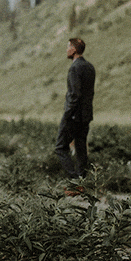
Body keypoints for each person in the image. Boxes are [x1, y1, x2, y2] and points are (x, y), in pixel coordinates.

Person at [55, 37, 95, 195]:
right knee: (81, 149)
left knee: (60, 147)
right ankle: (81, 183)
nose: (66, 50)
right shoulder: (90, 67)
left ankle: (74, 183)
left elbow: (74, 95)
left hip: (73, 116)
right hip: (86, 115)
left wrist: (67, 114)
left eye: (68, 47)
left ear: (74, 50)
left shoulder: (74, 69)